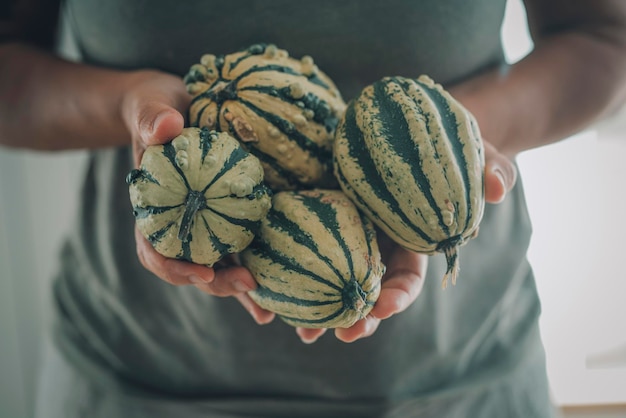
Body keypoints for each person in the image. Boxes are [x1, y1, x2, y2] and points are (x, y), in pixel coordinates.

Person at [1, 0, 625, 417]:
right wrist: (127, 106)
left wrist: (438, 140)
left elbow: (607, 39)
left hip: (458, 382)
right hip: (134, 379)